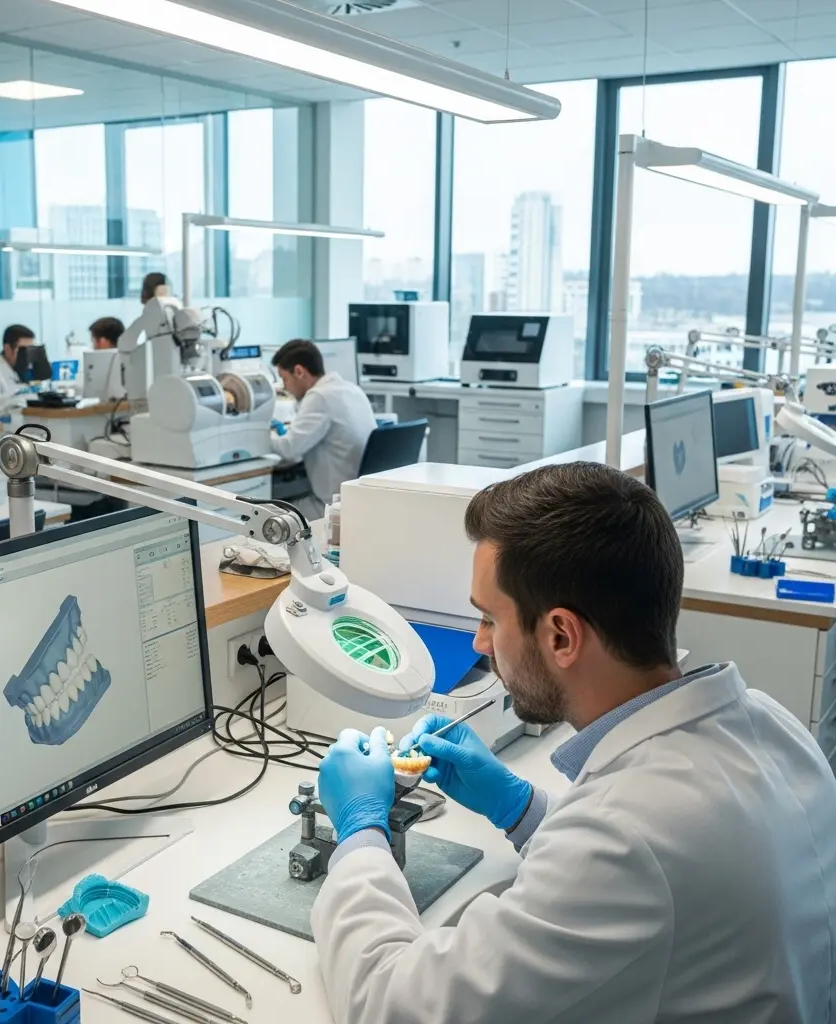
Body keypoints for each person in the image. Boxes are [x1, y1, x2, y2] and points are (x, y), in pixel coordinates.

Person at [312, 462, 836, 1024]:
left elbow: (393, 1006)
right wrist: (521, 809)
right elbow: (655, 868)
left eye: (489, 618)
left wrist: (361, 831)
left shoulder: (623, 840)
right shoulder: (770, 723)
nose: (478, 641)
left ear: (561, 635)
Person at [269, 340, 376, 520]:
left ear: (299, 372)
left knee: (265, 515)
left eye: (285, 379)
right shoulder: (351, 389)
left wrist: (259, 433)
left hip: (332, 506)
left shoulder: (319, 396)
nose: (284, 387)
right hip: (360, 500)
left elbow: (289, 450)